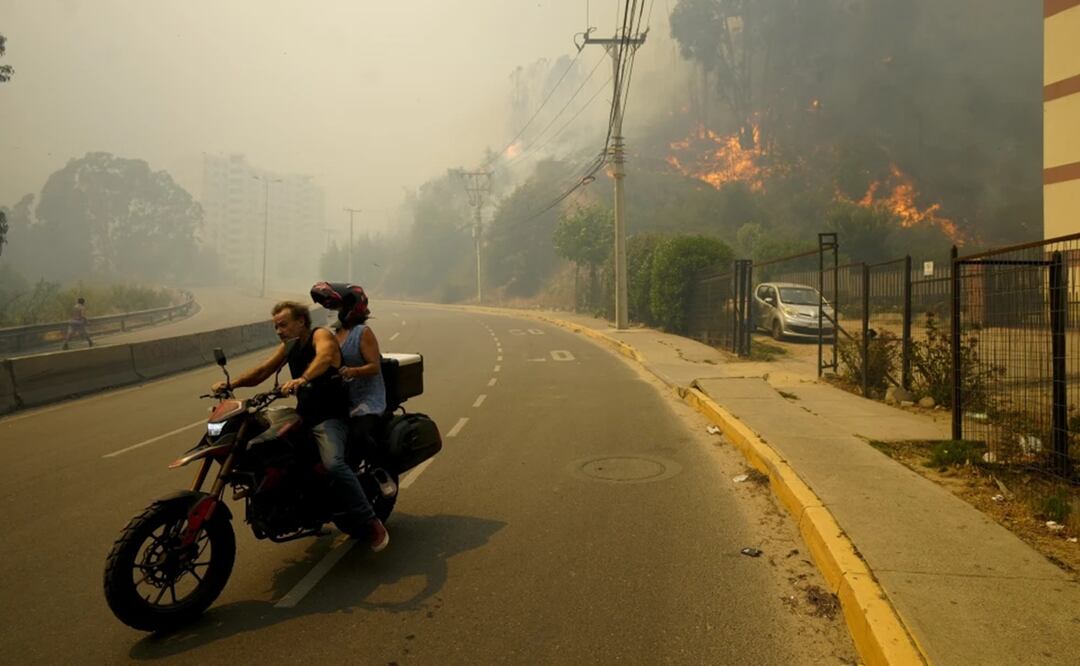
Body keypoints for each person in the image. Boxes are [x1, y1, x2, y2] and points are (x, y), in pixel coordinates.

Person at [210, 300, 389, 551]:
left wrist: (303, 378)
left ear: (301, 321)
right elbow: (263, 370)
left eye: (283, 325)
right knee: (267, 448)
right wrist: (232, 385)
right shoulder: (290, 346)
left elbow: (326, 357)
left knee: (334, 464)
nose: (279, 331)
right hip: (304, 416)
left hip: (330, 418)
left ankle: (370, 520)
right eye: (276, 327)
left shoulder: (321, 335)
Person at [310, 283, 387, 457]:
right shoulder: (335, 334)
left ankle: (378, 466)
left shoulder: (362, 332)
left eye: (339, 307)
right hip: (344, 401)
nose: (335, 311)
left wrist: (352, 372)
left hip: (367, 401)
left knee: (356, 438)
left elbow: (374, 367)